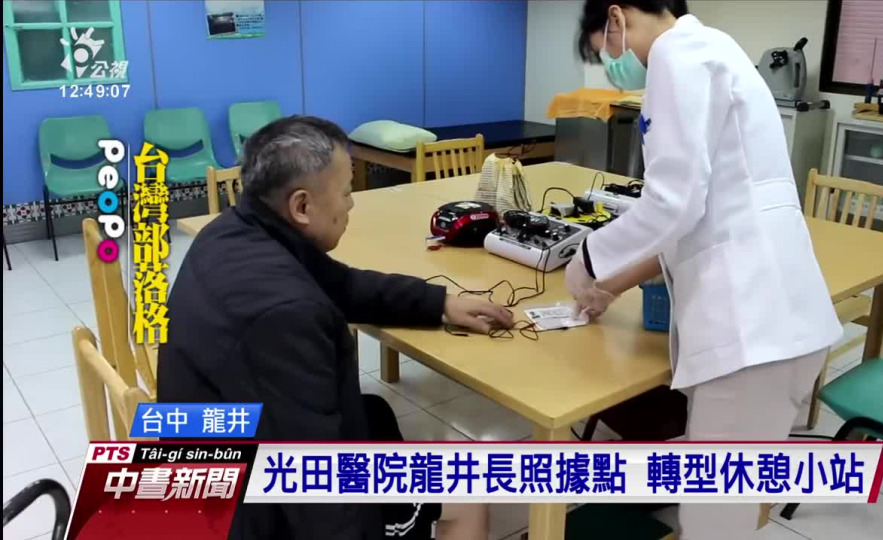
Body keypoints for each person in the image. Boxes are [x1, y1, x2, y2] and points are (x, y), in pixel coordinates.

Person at [157, 116, 512, 540]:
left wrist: (441, 303)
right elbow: (314, 490)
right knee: (469, 490)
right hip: (245, 512)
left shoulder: (235, 231)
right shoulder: (284, 315)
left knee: (375, 414)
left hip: (217, 463)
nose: (351, 205)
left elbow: (343, 285)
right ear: (302, 206)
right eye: (345, 192)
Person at [568, 1, 843, 538]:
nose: (616, 66)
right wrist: (610, 287)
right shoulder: (717, 50)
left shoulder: (675, 56)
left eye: (608, 52)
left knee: (713, 521)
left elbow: (672, 204)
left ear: (617, 19)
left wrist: (590, 257)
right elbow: (700, 219)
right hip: (784, 327)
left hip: (751, 335)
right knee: (727, 503)